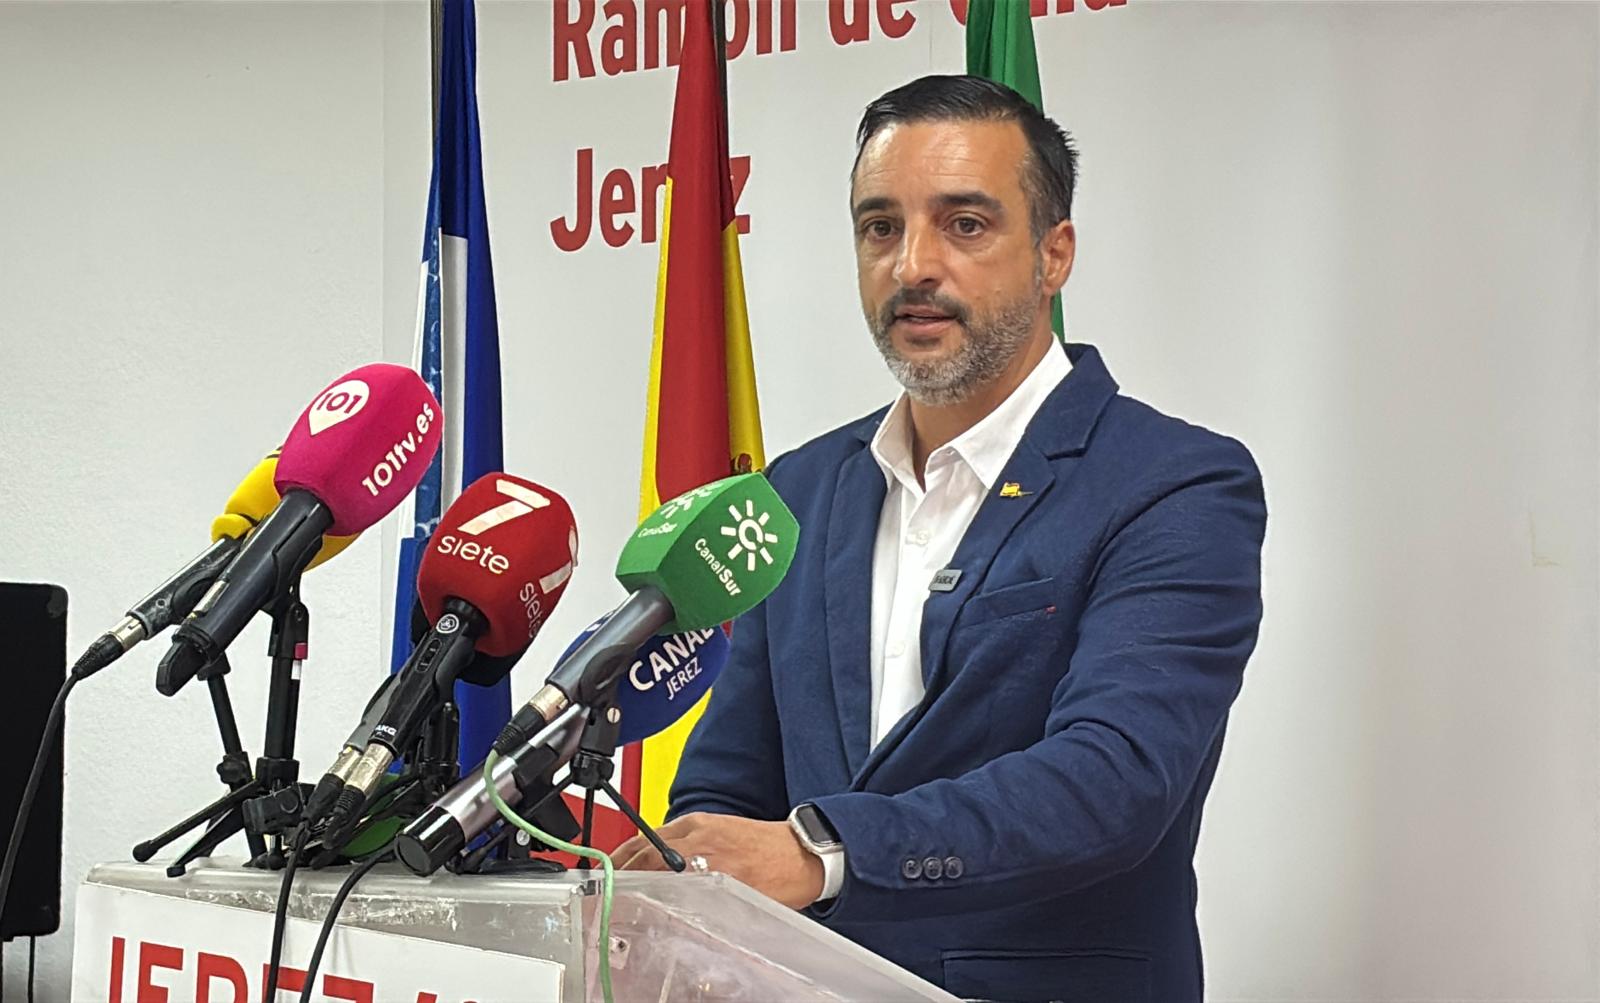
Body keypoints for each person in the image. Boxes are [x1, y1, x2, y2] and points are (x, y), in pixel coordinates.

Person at [615, 74, 1267, 1003]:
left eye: (964, 224)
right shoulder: (793, 493)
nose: (912, 264)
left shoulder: (1175, 483)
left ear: (1054, 254)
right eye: (880, 226)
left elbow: (1113, 781)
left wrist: (821, 852)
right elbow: (727, 783)